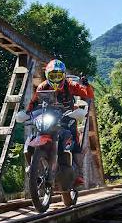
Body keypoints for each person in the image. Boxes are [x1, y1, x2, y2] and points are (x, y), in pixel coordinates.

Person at [26, 59, 94, 187]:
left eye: (59, 76)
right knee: (34, 135)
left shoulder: (70, 84)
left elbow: (88, 94)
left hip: (67, 117)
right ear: (47, 76)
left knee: (74, 140)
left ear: (63, 75)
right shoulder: (42, 87)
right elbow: (33, 102)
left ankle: (79, 174)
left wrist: (87, 85)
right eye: (53, 76)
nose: (56, 79)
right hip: (48, 117)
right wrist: (27, 113)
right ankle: (34, 168)